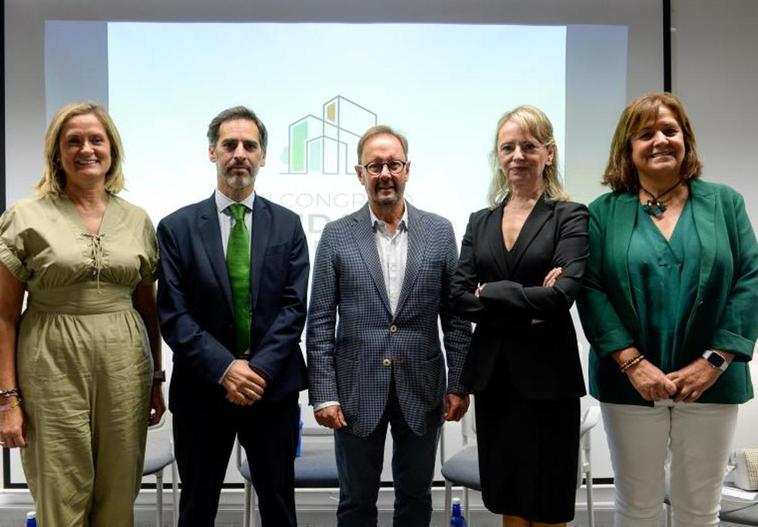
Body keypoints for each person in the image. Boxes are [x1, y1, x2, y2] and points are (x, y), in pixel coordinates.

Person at [577, 92, 758, 526]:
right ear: (628, 148)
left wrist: (714, 361)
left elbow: (750, 279)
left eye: (669, 131)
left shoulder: (724, 204)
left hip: (711, 381)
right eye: (645, 134)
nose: (659, 140)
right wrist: (632, 363)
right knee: (636, 507)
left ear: (686, 140)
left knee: (699, 510)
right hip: (631, 384)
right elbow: (591, 289)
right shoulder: (603, 212)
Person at [0, 101, 165, 526]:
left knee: (117, 496)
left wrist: (155, 381)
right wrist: (7, 399)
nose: (86, 149)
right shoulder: (24, 217)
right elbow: (4, 316)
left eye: (96, 139)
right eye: (73, 141)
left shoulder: (138, 219)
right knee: (61, 492)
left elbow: (149, 311)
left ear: (112, 149)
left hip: (125, 367)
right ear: (57, 153)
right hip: (50, 364)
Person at [307, 125, 472, 526]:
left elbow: (454, 318)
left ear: (407, 170)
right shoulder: (336, 235)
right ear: (360, 173)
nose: (385, 173)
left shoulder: (439, 231)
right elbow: (321, 321)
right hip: (355, 389)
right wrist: (324, 394)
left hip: (422, 387)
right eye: (375, 165)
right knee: (355, 501)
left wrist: (458, 384)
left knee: (415, 497)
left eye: (393, 164)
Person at [157, 106, 309, 527]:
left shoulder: (289, 225)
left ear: (263, 157)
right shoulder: (176, 228)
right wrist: (226, 368)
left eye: (250, 145)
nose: (239, 153)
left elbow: (294, 308)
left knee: (279, 505)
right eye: (229, 145)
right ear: (212, 153)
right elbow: (174, 314)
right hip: (202, 390)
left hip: (270, 388)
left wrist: (254, 371)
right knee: (198, 507)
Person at [450, 105, 589, 527]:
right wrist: (525, 303)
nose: (517, 155)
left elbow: (561, 297)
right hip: (496, 382)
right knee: (509, 494)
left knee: (547, 498)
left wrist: (488, 291)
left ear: (549, 153)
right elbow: (458, 295)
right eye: (507, 147)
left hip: (549, 380)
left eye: (528, 146)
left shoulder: (570, 215)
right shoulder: (482, 220)